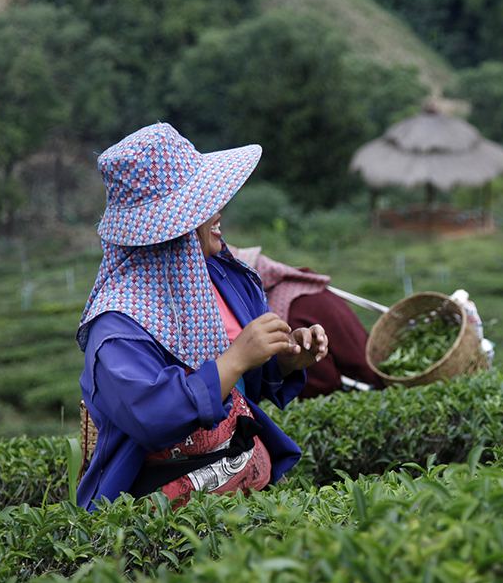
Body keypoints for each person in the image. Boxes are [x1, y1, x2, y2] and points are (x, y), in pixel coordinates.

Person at [75, 123, 328, 510]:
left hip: (245, 492)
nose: (219, 211)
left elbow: (245, 384)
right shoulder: (118, 325)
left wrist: (288, 359)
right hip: (158, 523)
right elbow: (153, 418)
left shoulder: (223, 275)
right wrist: (237, 356)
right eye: (204, 204)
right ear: (171, 228)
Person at [230, 246, 386, 398]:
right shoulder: (301, 288)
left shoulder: (287, 306)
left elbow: (321, 383)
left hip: (364, 378)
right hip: (369, 364)